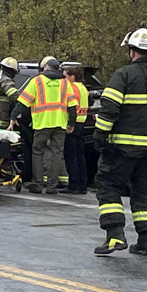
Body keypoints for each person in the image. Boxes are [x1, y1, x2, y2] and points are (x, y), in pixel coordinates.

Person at [93, 28, 147, 256]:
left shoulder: (124, 75)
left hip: (124, 147)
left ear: (132, 51)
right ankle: (146, 242)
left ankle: (114, 235)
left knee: (108, 184)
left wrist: (100, 134)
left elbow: (109, 109)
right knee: (144, 191)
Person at [9, 56, 77, 194]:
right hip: (60, 123)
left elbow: (23, 101)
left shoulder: (37, 81)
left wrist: (13, 116)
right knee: (56, 153)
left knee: (37, 152)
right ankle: (52, 187)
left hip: (42, 123)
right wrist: (71, 123)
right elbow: (72, 105)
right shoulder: (65, 83)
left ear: (46, 67)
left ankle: (38, 184)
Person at [61, 65, 89, 195]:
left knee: (70, 155)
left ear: (72, 77)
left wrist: (69, 123)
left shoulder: (72, 88)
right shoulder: (83, 88)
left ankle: (74, 185)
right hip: (82, 123)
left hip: (73, 123)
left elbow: (71, 106)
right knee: (80, 155)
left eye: (65, 76)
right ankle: (82, 184)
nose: (64, 79)